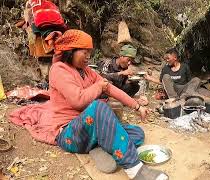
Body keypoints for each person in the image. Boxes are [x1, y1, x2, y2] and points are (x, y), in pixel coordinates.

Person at [10, 30, 168, 180]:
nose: (88, 57)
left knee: (137, 133)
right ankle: (135, 169)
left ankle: (97, 145)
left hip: (88, 128)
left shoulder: (86, 71)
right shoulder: (59, 70)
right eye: (84, 52)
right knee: (99, 107)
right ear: (70, 51)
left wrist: (137, 106)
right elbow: (78, 101)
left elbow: (111, 89)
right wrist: (99, 86)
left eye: (89, 53)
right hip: (69, 133)